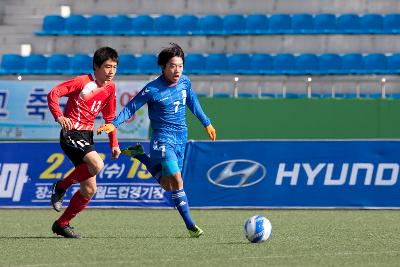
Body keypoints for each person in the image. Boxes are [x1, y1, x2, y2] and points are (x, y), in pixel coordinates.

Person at [97, 43, 216, 238]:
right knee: (177, 181)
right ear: (163, 67)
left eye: (180, 65)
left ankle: (141, 156)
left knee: (168, 186)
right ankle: (191, 226)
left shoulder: (185, 82)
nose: (176, 70)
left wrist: (207, 123)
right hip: (162, 138)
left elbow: (193, 103)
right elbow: (131, 107)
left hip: (181, 138)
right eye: (172, 66)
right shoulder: (152, 89)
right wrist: (114, 124)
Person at [47, 47, 121, 238]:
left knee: (89, 189)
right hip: (71, 133)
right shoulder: (82, 81)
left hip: (87, 136)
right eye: (107, 67)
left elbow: (110, 119)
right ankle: (61, 186)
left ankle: (62, 224)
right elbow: (53, 94)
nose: (111, 71)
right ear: (96, 66)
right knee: (97, 164)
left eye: (114, 67)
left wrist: (114, 143)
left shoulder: (110, 88)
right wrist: (59, 116)